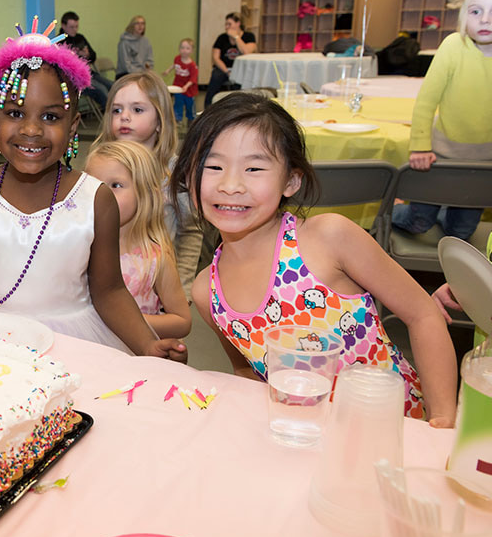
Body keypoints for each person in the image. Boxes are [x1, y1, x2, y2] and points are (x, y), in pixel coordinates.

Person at [170, 93, 457, 426]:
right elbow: (247, 369)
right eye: (213, 167)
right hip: (304, 438)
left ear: (291, 180)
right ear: (189, 177)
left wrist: (443, 421)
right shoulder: (208, 290)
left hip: (397, 427)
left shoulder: (328, 238)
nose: (231, 185)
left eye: (254, 168)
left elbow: (423, 314)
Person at [0, 23, 186, 360]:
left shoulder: (96, 199)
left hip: (70, 342)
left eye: (50, 116)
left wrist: (147, 345)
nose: (31, 129)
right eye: (15, 114)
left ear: (73, 125)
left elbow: (110, 291)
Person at [392, 0, 492, 241]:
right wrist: (420, 146)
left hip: (484, 164)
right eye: (476, 11)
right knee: (418, 222)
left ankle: (444, 208)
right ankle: (398, 208)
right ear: (464, 16)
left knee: (460, 231)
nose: (485, 20)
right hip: (441, 155)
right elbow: (426, 101)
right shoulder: (452, 46)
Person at [93, 72, 206, 294]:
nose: (124, 116)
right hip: (107, 288)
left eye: (137, 109)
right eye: (117, 110)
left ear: (159, 120)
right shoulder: (100, 167)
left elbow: (190, 231)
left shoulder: (173, 173)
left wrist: (181, 289)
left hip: (155, 290)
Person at [85, 141, 191, 338]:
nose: (101, 194)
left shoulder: (154, 258)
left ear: (144, 194)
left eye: (116, 185)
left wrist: (123, 320)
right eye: (93, 183)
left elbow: (182, 321)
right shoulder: (77, 247)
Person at [204, 12, 257, 109]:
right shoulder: (221, 38)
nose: (226, 27)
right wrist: (227, 71)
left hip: (241, 69)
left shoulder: (249, 36)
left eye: (229, 24)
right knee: (216, 76)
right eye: (226, 24)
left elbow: (246, 52)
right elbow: (216, 58)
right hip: (224, 68)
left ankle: (241, 108)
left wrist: (236, 37)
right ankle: (208, 107)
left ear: (238, 23)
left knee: (240, 83)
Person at [59, 11, 112, 101]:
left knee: (112, 85)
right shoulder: (60, 42)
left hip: (89, 73)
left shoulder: (80, 38)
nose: (75, 30)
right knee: (101, 90)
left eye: (76, 26)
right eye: (71, 27)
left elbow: (93, 56)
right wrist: (77, 55)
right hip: (76, 79)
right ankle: (109, 113)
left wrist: (87, 55)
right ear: (63, 26)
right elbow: (64, 67)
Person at [163, 38, 199, 125]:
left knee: (189, 105)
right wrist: (168, 70)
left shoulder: (192, 66)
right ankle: (177, 118)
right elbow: (174, 65)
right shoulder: (177, 58)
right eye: (182, 48)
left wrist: (186, 86)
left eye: (187, 48)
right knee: (178, 102)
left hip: (188, 90)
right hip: (178, 86)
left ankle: (191, 118)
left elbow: (193, 79)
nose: (184, 50)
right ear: (179, 49)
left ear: (192, 51)